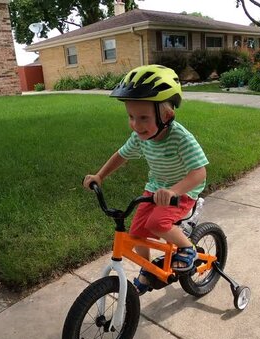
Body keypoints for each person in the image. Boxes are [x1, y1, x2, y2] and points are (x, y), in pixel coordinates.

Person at [82, 64, 209, 294]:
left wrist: (174, 191)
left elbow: (199, 173)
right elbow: (121, 155)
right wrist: (100, 175)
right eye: (131, 116)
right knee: (137, 231)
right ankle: (148, 270)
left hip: (182, 192)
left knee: (156, 223)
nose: (135, 125)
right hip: (155, 188)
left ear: (167, 116)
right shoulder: (141, 136)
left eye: (143, 118)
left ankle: (187, 247)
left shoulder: (181, 138)